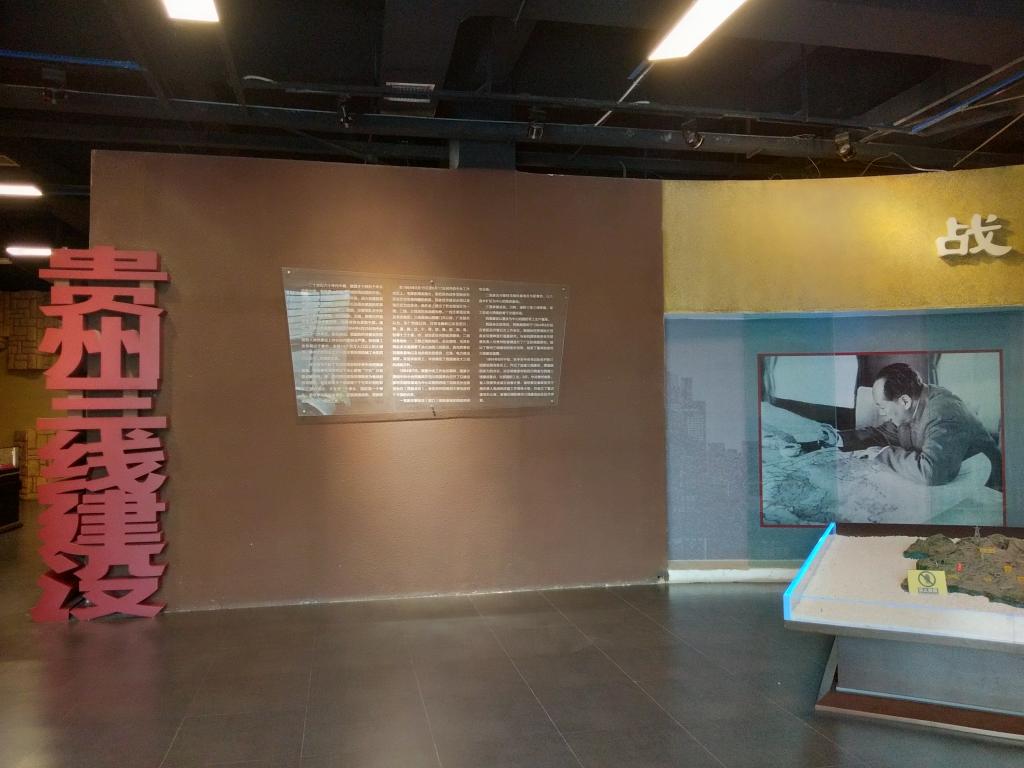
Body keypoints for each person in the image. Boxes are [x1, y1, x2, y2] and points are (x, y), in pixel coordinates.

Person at [831, 363, 1001, 489]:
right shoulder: (915, 404)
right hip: (956, 484)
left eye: (883, 407)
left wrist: (882, 454)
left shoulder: (943, 413)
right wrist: (835, 437)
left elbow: (930, 472)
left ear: (904, 401)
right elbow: (882, 434)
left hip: (987, 491)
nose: (882, 414)